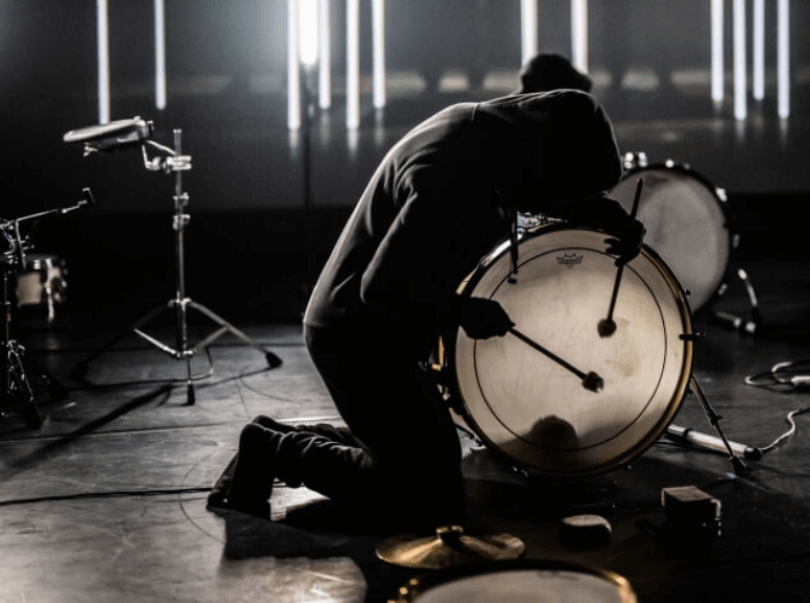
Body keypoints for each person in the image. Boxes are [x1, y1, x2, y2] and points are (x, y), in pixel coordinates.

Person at [208, 89, 644, 529]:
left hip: (367, 326)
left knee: (420, 455)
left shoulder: (485, 138)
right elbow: (379, 290)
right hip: (357, 336)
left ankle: (274, 439)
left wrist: (605, 214)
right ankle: (270, 449)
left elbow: (541, 188)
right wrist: (465, 312)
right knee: (424, 492)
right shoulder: (452, 182)